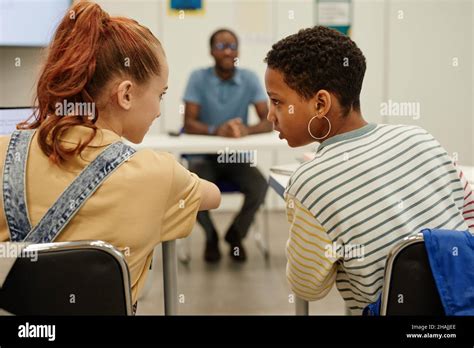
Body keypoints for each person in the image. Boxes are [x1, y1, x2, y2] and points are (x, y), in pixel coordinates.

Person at [0, 1, 221, 313]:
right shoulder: (157, 175)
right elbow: (212, 197)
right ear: (126, 94)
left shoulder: (3, 154)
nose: (159, 110)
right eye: (160, 95)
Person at [264, 26, 474, 314]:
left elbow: (307, 287)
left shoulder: (309, 182)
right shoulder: (419, 137)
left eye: (277, 101)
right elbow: (468, 218)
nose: (269, 114)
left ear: (321, 103)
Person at [183, 28, 271, 263]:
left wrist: (245, 130)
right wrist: (216, 130)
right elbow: (188, 123)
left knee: (260, 186)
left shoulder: (250, 78)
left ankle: (235, 235)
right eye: (221, 46)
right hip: (203, 157)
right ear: (212, 51)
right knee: (191, 191)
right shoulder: (198, 78)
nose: (228, 51)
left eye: (232, 46)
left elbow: (269, 120)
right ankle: (211, 236)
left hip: (235, 157)